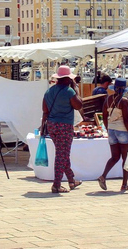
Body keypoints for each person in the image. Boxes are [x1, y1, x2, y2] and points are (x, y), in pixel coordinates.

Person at [41, 65, 83, 193]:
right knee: (62, 154)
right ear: (68, 79)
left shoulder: (49, 91)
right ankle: (56, 185)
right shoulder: (69, 91)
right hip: (64, 125)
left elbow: (44, 109)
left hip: (52, 125)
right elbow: (78, 105)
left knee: (62, 153)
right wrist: (75, 89)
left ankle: (71, 180)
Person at [97, 77, 128, 192]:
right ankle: (124, 184)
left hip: (112, 130)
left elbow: (104, 116)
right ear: (124, 89)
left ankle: (103, 176)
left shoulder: (108, 99)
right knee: (125, 158)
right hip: (122, 131)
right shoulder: (123, 101)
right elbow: (126, 120)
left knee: (114, 157)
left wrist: (109, 127)